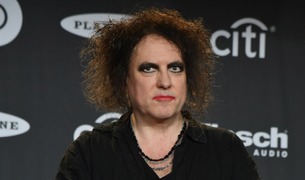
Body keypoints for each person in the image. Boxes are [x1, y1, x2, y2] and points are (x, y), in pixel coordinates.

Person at [56, 7, 260, 180]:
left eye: (175, 68)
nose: (165, 82)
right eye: (149, 69)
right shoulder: (89, 152)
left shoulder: (226, 150)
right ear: (124, 81)